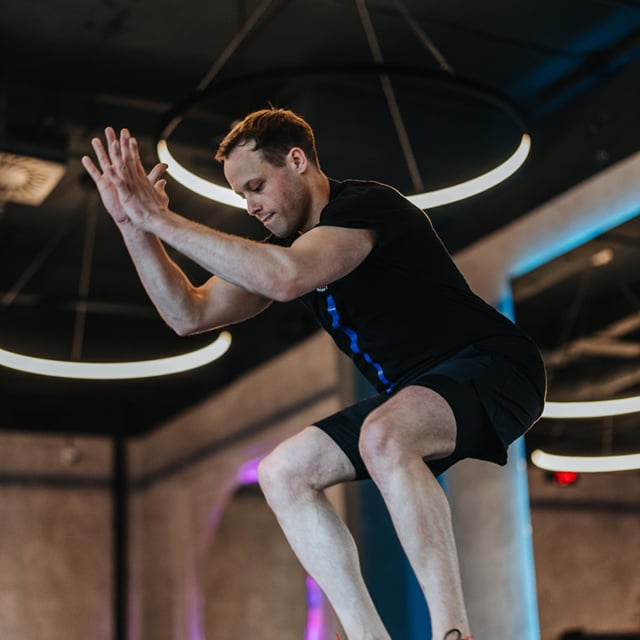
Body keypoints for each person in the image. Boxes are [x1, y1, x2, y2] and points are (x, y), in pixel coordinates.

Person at [82, 108, 546, 640]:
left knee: (384, 436)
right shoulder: (288, 248)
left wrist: (161, 217)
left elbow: (289, 279)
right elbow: (189, 314)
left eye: (256, 186)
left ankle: (452, 633)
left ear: (297, 161)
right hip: (420, 391)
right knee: (285, 472)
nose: (250, 205)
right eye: (241, 196)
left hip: (496, 367)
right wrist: (134, 226)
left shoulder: (366, 207)